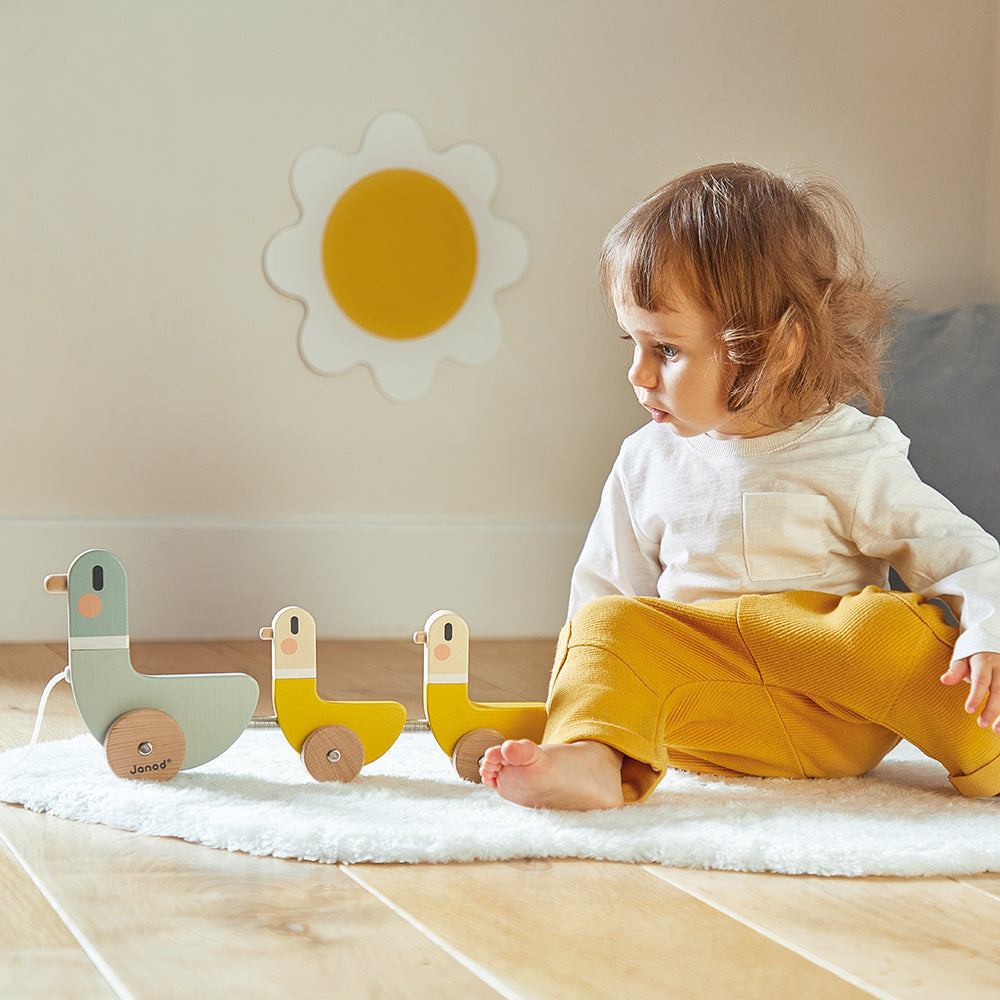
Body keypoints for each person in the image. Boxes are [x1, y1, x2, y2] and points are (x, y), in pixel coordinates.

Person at [480, 162, 1000, 811]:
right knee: (606, 619)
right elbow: (604, 593)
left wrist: (989, 633)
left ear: (778, 348)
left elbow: (964, 557)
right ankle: (597, 760)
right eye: (632, 343)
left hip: (837, 709)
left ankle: (989, 746)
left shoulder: (850, 452)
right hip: (703, 714)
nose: (638, 374)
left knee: (895, 628)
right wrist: (585, 709)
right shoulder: (646, 460)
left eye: (666, 349)